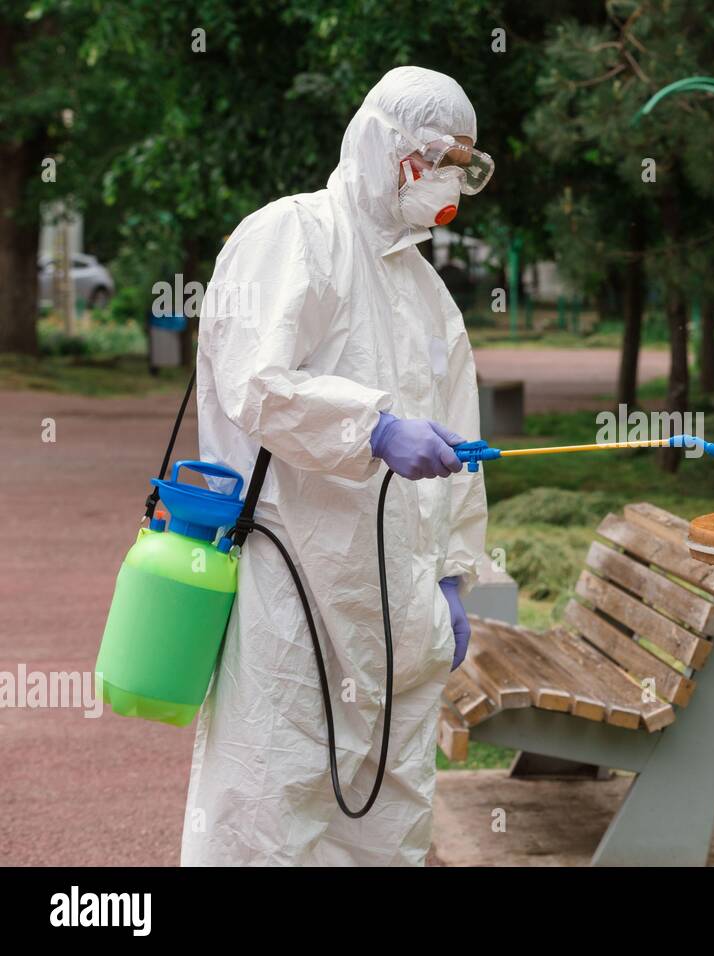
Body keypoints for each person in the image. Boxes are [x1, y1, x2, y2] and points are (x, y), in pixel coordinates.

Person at [182, 67, 491, 866]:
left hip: (400, 609)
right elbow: (253, 381)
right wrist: (372, 425)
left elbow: (463, 445)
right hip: (293, 586)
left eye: (462, 162)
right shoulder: (295, 236)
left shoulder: (429, 296)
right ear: (384, 148)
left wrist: (455, 576)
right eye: (435, 156)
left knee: (389, 812)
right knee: (270, 801)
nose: (446, 178)